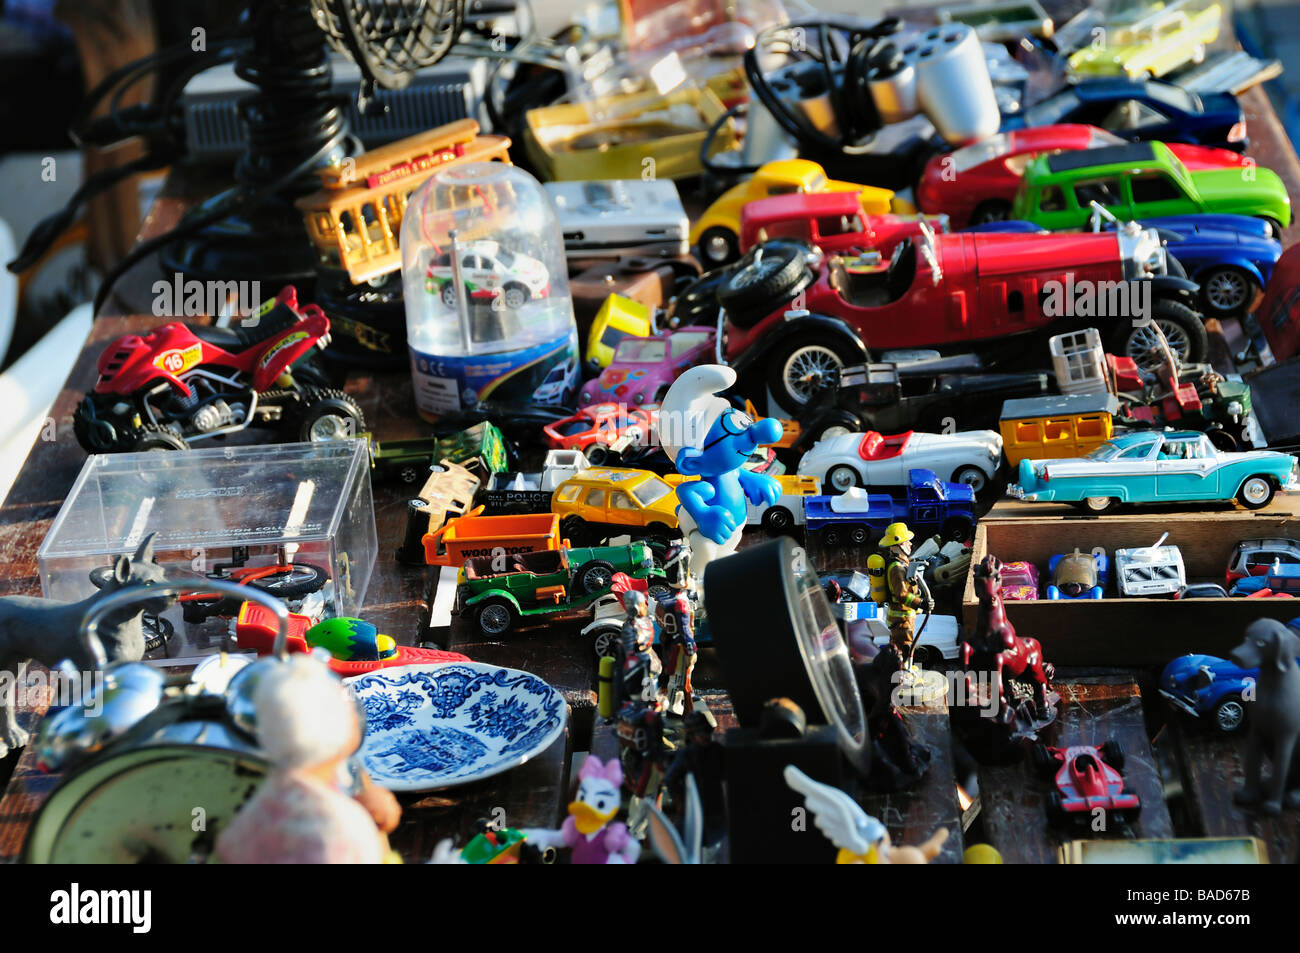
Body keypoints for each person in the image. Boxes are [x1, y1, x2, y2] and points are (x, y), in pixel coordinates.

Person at [215, 654, 399, 864]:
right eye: (348, 709)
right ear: (338, 734)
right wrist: (374, 829)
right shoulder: (345, 832)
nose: (356, 714)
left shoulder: (250, 815)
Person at [880, 522, 925, 653]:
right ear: (899, 544)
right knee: (904, 649)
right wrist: (921, 603)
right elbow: (901, 595)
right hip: (902, 620)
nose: (910, 544)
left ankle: (905, 670)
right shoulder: (897, 568)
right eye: (907, 541)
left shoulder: (901, 563)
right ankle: (903, 672)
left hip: (903, 618)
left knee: (902, 647)